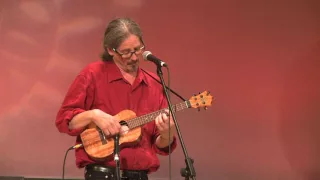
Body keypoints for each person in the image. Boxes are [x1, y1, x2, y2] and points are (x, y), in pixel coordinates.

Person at [55, 17, 177, 180]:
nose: (134, 57)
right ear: (111, 50)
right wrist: (94, 115)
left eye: (138, 49)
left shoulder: (154, 83)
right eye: (126, 52)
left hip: (140, 176)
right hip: (102, 174)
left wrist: (167, 134)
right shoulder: (92, 75)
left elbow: (159, 144)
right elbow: (64, 120)